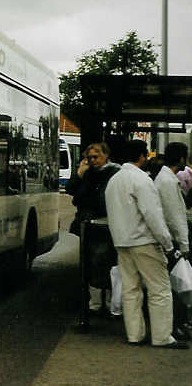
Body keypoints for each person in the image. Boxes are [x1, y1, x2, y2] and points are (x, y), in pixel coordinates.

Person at [104, 139, 187, 349]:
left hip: (122, 242)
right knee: (159, 288)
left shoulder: (114, 181)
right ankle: (162, 337)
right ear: (142, 156)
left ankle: (135, 335)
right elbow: (153, 216)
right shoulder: (142, 180)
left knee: (131, 289)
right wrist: (168, 244)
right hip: (144, 241)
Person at [66, 142, 121, 314]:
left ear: (106, 155)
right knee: (92, 263)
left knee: (104, 262)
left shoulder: (114, 173)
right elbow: (72, 192)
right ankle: (97, 302)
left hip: (105, 224)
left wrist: (83, 197)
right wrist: (79, 174)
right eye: (89, 158)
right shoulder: (88, 173)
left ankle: (107, 302)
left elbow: (95, 199)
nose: (92, 160)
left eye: (96, 157)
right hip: (91, 224)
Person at [153, 142, 191, 339]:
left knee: (174, 284)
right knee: (176, 285)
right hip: (171, 241)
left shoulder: (166, 178)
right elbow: (176, 217)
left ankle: (180, 323)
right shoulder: (167, 182)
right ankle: (176, 325)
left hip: (167, 240)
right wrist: (184, 245)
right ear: (181, 158)